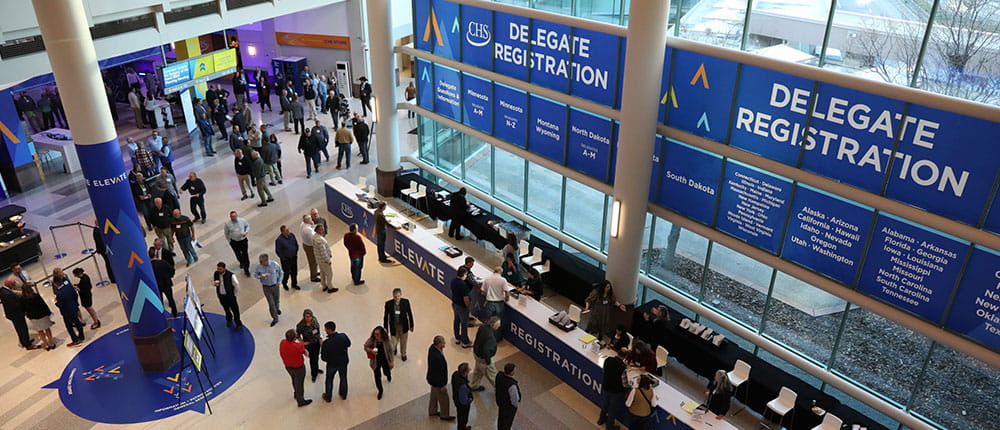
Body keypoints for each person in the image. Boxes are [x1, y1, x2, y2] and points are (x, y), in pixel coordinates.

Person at [1, 278, 38, 350]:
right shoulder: (7, 294)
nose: (14, 286)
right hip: (16, 314)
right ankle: (28, 345)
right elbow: (15, 304)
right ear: (9, 284)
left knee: (19, 328)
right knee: (22, 328)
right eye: (13, 284)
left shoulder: (3, 290)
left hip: (13, 314)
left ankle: (24, 341)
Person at [280, 329, 313, 407]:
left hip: (288, 367)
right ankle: (300, 400)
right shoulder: (298, 346)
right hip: (299, 368)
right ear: (295, 338)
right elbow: (305, 352)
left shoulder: (282, 342)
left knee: (294, 380)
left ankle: (296, 393)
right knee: (299, 384)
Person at [53, 269, 85, 347]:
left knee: (69, 326)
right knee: (77, 321)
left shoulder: (60, 293)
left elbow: (60, 304)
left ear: (56, 284)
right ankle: (81, 336)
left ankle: (75, 340)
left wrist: (56, 303)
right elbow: (75, 294)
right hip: (74, 306)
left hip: (67, 312)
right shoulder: (68, 286)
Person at [321, 321, 352, 401]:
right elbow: (349, 344)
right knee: (343, 377)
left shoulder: (326, 343)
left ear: (328, 330)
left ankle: (328, 397)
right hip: (343, 361)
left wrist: (322, 346)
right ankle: (343, 394)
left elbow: (323, 358)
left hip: (332, 364)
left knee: (329, 380)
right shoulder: (343, 336)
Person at [598, 347, 628, 429]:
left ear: (618, 353)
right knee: (612, 409)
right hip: (616, 392)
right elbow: (625, 384)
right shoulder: (622, 368)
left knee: (604, 405)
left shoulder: (608, 360)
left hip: (606, 387)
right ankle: (609, 426)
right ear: (625, 357)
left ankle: (601, 419)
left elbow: (604, 370)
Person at [427, 335, 455, 420]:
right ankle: (444, 415)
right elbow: (439, 373)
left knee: (434, 396)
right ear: (439, 344)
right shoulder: (437, 358)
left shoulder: (432, 348)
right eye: (443, 342)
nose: (445, 343)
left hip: (432, 379)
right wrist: (442, 385)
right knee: (444, 398)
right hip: (438, 381)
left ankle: (432, 411)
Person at [469, 316, 500, 391]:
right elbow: (486, 350)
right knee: (492, 374)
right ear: (495, 326)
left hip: (477, 354)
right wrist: (488, 362)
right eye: (499, 325)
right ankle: (499, 389)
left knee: (477, 371)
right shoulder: (490, 337)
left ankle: (473, 385)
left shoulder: (482, 327)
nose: (499, 326)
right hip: (484, 359)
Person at [21, 284, 55, 350]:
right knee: (47, 329)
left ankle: (45, 345)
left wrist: (28, 315)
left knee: (40, 331)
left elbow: (23, 309)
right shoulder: (36, 296)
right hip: (42, 315)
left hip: (33, 318)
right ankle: (51, 343)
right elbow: (43, 305)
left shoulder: (23, 299)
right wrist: (49, 313)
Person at [383, 288, 414, 361]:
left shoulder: (406, 302)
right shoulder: (388, 304)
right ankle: (394, 349)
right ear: (393, 296)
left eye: (398, 296)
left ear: (401, 295)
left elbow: (409, 314)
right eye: (395, 296)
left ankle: (403, 354)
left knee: (403, 341)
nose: (397, 298)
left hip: (404, 326)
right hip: (394, 326)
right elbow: (386, 317)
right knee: (394, 340)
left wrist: (411, 325)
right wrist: (385, 328)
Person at [364, 326, 394, 400]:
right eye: (375, 334)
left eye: (378, 334)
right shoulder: (372, 339)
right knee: (377, 377)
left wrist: (392, 361)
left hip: (385, 360)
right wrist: (371, 350)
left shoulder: (386, 340)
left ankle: (388, 375)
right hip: (376, 361)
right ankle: (380, 390)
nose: (376, 336)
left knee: (386, 371)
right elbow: (365, 346)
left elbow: (391, 350)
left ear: (382, 334)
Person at [253, 254, 284, 327]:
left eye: (262, 262)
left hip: (275, 286)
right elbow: (255, 274)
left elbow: (281, 272)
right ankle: (275, 318)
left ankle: (277, 309)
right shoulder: (259, 267)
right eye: (260, 261)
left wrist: (279, 282)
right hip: (266, 287)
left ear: (267, 260)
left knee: (276, 300)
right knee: (271, 303)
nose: (261, 263)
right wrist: (260, 276)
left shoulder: (274, 264)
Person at [149, 248, 178, 317]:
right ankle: (175, 313)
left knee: (159, 301)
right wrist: (169, 276)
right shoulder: (163, 262)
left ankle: (162, 315)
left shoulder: (149, 266)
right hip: (166, 283)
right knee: (171, 299)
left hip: (157, 286)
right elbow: (172, 270)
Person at [213, 262, 242, 329]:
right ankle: (229, 319)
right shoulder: (216, 273)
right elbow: (214, 280)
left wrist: (234, 294)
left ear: (224, 268)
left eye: (220, 269)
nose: (219, 270)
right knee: (226, 308)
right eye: (218, 269)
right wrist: (215, 284)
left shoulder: (231, 275)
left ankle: (238, 323)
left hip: (230, 296)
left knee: (235, 310)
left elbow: (237, 285)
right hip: (221, 295)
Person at [296, 309, 323, 382]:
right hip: (309, 345)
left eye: (310, 316)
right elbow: (297, 336)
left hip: (316, 343)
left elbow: (318, 331)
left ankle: (316, 369)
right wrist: (303, 343)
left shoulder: (314, 320)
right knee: (312, 360)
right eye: (306, 316)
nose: (308, 318)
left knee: (316, 358)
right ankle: (314, 374)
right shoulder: (300, 325)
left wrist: (321, 341)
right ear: (304, 317)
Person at [223, 211, 251, 276]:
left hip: (243, 240)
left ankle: (246, 269)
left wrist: (246, 232)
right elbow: (226, 233)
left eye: (234, 216)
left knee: (245, 254)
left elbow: (247, 226)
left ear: (237, 216)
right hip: (234, 242)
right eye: (232, 216)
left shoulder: (242, 220)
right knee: (237, 253)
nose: (233, 218)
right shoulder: (227, 224)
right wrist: (229, 241)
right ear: (230, 217)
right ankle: (241, 262)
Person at [451, 267, 473, 347]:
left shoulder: (453, 281)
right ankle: (465, 342)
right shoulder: (463, 285)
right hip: (462, 307)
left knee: (456, 320)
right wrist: (468, 306)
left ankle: (457, 337)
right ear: (463, 275)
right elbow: (465, 298)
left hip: (455, 304)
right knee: (464, 324)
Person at [495, 363, 521, 430]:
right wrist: (515, 405)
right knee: (507, 422)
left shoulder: (499, 375)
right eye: (514, 370)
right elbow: (514, 398)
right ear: (511, 372)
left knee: (501, 419)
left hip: (501, 402)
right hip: (508, 407)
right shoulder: (512, 385)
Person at [313, 224, 338, 293]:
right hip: (324, 260)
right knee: (329, 274)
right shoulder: (320, 240)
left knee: (322, 273)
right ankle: (330, 287)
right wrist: (328, 260)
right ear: (317, 230)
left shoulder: (314, 236)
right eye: (321, 229)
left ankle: (324, 286)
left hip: (319, 259)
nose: (323, 230)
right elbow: (323, 252)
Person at [275, 225, 300, 291]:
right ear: (282, 232)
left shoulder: (291, 235)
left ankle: (294, 284)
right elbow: (278, 251)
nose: (288, 231)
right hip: (286, 259)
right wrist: (284, 258)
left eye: (288, 229)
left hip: (294, 257)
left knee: (294, 271)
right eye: (286, 230)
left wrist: (296, 251)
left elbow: (296, 243)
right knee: (287, 272)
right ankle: (284, 283)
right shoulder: (279, 240)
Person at [452, 362, 473, 430]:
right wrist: (470, 400)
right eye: (468, 370)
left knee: (460, 415)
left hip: (456, 398)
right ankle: (462, 428)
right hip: (462, 405)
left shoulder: (455, 374)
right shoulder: (463, 386)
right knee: (463, 418)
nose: (470, 370)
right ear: (465, 372)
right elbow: (464, 401)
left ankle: (462, 427)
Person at [300, 215, 320, 283]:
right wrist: (313, 225)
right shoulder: (307, 230)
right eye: (310, 219)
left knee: (314, 261)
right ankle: (313, 277)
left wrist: (312, 225)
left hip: (305, 244)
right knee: (313, 262)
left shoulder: (303, 224)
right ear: (307, 220)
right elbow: (314, 237)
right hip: (310, 247)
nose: (312, 219)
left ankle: (315, 272)